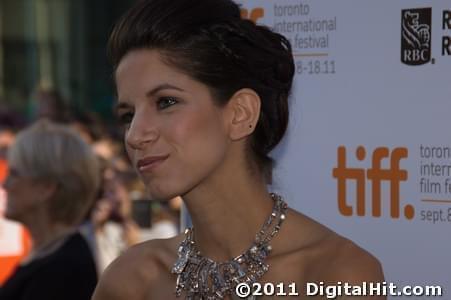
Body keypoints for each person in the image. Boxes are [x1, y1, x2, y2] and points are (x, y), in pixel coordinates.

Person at [92, 0, 385, 299]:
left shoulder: (336, 276)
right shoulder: (130, 280)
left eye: (166, 102)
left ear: (240, 114)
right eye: (128, 115)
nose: (135, 135)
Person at [0, 120, 99, 300]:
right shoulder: (50, 253)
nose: (5, 184)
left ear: (46, 188)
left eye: (14, 174)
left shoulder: (63, 269)